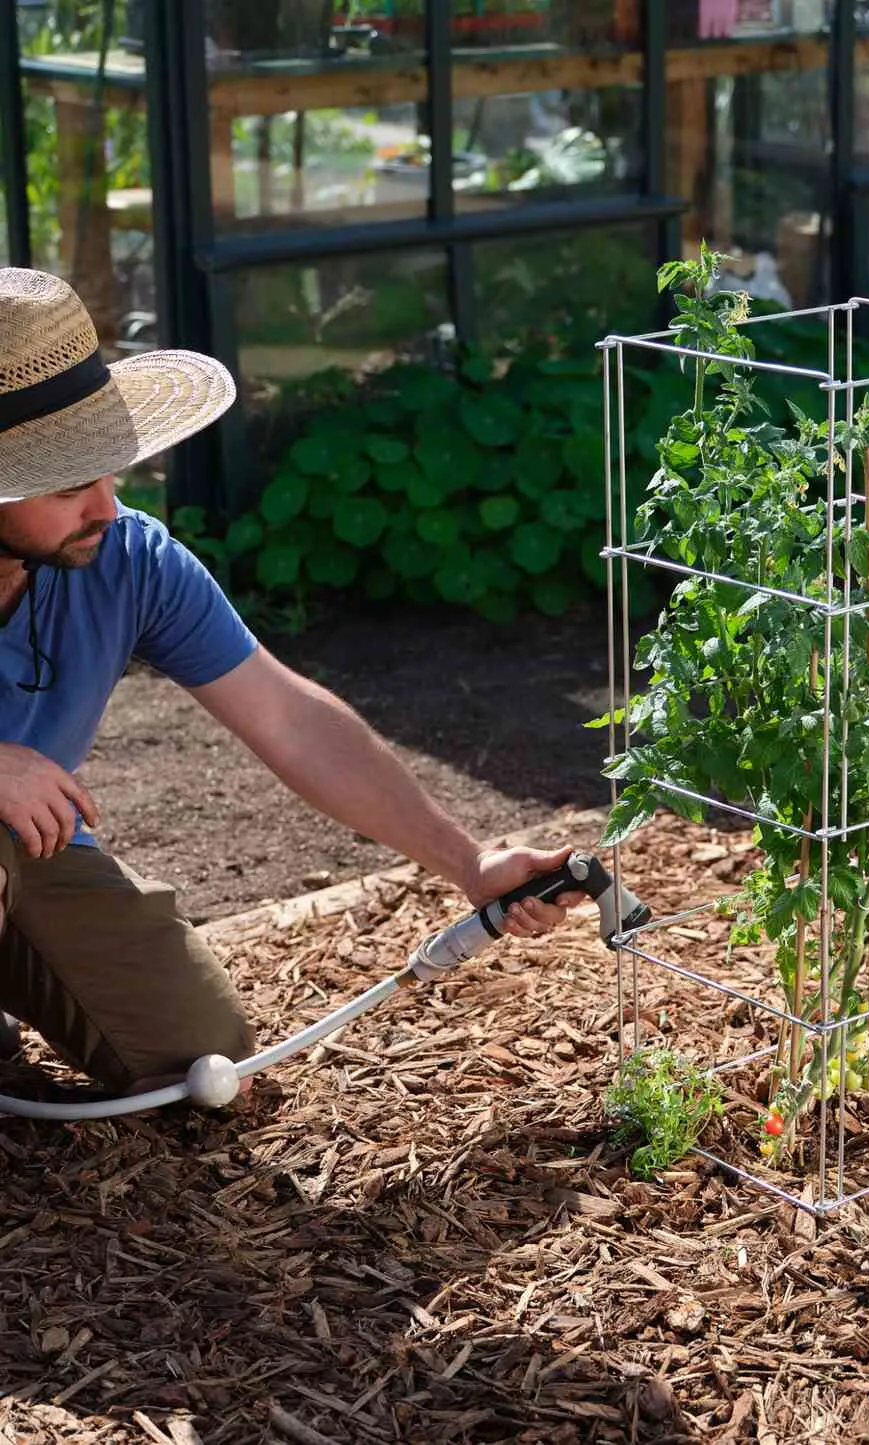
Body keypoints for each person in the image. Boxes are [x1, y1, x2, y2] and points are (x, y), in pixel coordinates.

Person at [0, 268, 584, 1100]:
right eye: (69, 485)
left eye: (109, 470)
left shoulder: (129, 557)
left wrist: (470, 860)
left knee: (191, 1046)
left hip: (33, 852)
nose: (107, 504)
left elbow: (288, 716)